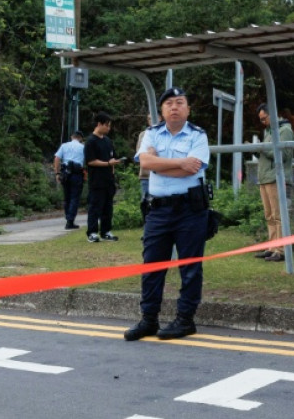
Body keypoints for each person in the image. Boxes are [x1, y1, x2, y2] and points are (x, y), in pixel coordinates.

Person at [124, 87, 211, 342]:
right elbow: (145, 164)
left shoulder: (198, 135)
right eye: (169, 103)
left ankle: (185, 320)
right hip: (158, 210)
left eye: (180, 102)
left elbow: (192, 170)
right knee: (152, 265)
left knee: (190, 267)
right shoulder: (150, 134)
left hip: (190, 211)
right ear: (161, 110)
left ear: (188, 109)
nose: (174, 107)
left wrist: (161, 165)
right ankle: (149, 319)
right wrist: (179, 163)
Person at [254, 103, 294, 262]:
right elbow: (267, 152)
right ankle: (272, 247)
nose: (262, 122)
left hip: (276, 177)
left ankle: (281, 249)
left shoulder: (285, 130)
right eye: (261, 120)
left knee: (278, 215)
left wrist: (262, 148)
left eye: (264, 119)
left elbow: (283, 155)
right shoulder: (269, 130)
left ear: (272, 114)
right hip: (265, 177)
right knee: (269, 215)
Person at [84, 112, 122, 242]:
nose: (108, 128)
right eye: (107, 125)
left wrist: (113, 164)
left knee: (108, 207)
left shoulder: (107, 141)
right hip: (96, 181)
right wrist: (107, 163)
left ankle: (106, 231)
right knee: (95, 207)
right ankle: (92, 232)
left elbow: (112, 157)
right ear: (99, 124)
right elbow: (90, 161)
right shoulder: (90, 142)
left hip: (108, 180)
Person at [54, 131, 86, 230]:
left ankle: (68, 217)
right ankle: (70, 221)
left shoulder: (64, 145)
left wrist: (57, 173)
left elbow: (57, 158)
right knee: (74, 197)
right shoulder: (83, 147)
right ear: (80, 138)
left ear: (72, 137)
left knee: (67, 197)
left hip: (65, 173)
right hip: (77, 174)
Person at [135, 114, 156, 222]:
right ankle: (147, 227)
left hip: (161, 174)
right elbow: (139, 153)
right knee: (145, 201)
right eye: (149, 118)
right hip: (146, 175)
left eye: (153, 118)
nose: (150, 120)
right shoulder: (143, 135)